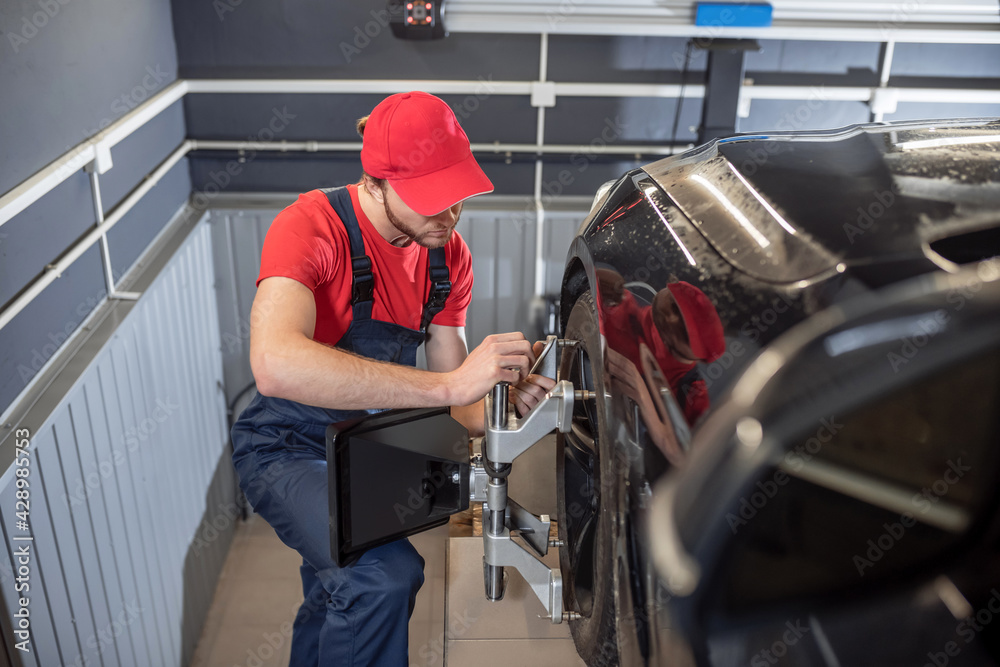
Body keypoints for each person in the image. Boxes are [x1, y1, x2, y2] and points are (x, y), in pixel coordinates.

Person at [230, 91, 554, 666]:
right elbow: (275, 365)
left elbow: (465, 412)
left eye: (456, 200)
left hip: (366, 452)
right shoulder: (310, 227)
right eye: (431, 201)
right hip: (286, 447)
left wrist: (512, 403)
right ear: (376, 182)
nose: (447, 216)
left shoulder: (446, 258)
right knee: (382, 578)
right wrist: (453, 385)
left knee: (336, 592)